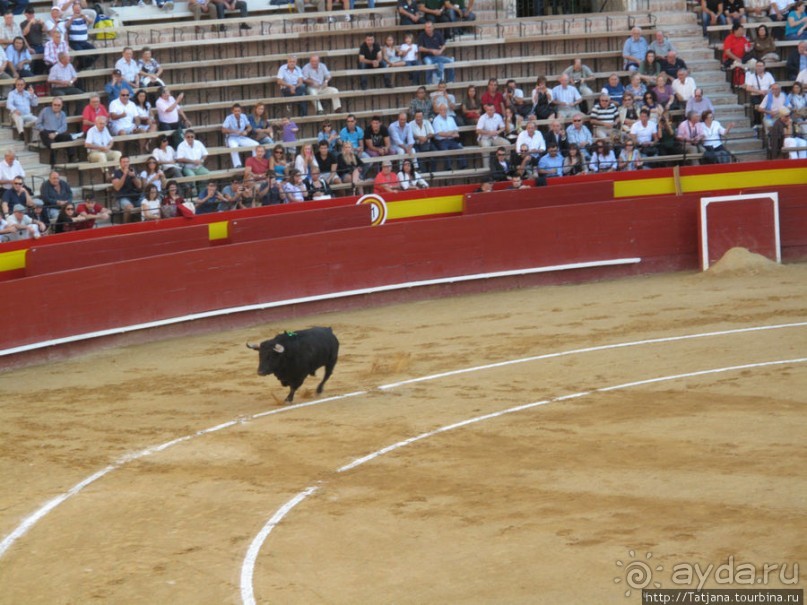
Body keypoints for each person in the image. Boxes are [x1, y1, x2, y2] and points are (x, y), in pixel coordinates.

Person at [35, 97, 77, 165]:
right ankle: (52, 164)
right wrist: (45, 131)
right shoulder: (45, 111)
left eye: (58, 105)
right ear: (52, 104)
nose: (56, 106)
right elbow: (37, 124)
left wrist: (56, 133)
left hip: (57, 133)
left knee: (69, 137)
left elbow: (64, 127)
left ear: (61, 105)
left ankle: (71, 158)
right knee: (53, 144)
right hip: (45, 132)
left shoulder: (63, 114)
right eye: (55, 104)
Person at [222, 103, 258, 168]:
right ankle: (237, 165)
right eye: (235, 111)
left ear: (241, 111)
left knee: (256, 145)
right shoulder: (229, 118)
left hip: (241, 137)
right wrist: (233, 131)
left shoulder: (243, 116)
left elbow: (249, 127)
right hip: (232, 137)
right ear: (232, 111)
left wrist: (246, 131)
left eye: (238, 111)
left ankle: (255, 163)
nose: (237, 112)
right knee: (234, 147)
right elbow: (223, 130)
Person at [432, 103, 466, 171]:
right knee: (445, 151)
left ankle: (463, 167)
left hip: (451, 140)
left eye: (445, 109)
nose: (443, 111)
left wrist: (451, 133)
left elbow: (456, 131)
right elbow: (440, 134)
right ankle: (448, 168)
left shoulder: (451, 118)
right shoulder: (436, 120)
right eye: (441, 110)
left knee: (460, 149)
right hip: (441, 141)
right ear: (439, 110)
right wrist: (451, 133)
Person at [111, 156, 143, 223]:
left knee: (147, 203)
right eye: (124, 162)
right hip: (122, 197)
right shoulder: (116, 173)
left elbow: (139, 186)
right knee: (129, 207)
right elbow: (117, 187)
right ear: (120, 163)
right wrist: (125, 175)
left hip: (135, 196)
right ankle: (125, 225)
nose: (126, 164)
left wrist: (133, 176)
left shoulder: (133, 171)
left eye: (127, 162)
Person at [66, 2, 95, 70]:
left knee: (95, 52)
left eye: (78, 9)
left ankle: (83, 66)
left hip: (84, 42)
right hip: (74, 42)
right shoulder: (69, 17)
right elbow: (66, 26)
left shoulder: (84, 17)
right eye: (76, 9)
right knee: (81, 54)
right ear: (73, 10)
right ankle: (81, 67)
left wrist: (85, 18)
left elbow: (91, 21)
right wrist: (72, 18)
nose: (77, 11)